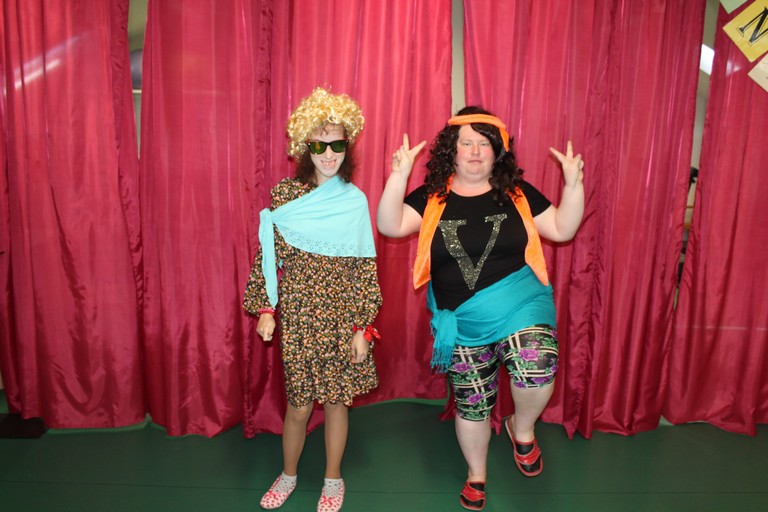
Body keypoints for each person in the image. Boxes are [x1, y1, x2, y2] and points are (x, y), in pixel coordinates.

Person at [377, 106, 584, 511]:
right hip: (461, 319)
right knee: (472, 403)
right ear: (451, 151)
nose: (475, 152)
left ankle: (521, 429)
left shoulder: (517, 192)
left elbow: (562, 229)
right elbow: (390, 225)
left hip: (521, 302)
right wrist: (398, 176)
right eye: (466, 143)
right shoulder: (432, 196)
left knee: (538, 367)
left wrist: (573, 185)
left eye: (484, 144)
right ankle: (477, 473)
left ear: (498, 151)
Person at [243, 87, 381, 512]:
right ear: (306, 146)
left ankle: (333, 480)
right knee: (299, 406)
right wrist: (266, 308)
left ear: (347, 146)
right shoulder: (286, 195)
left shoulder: (355, 201)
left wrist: (363, 327)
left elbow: (365, 267)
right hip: (301, 314)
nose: (328, 154)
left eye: (337, 144)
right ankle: (288, 474)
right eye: (319, 145)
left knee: (337, 403)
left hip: (341, 316)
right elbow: (269, 255)